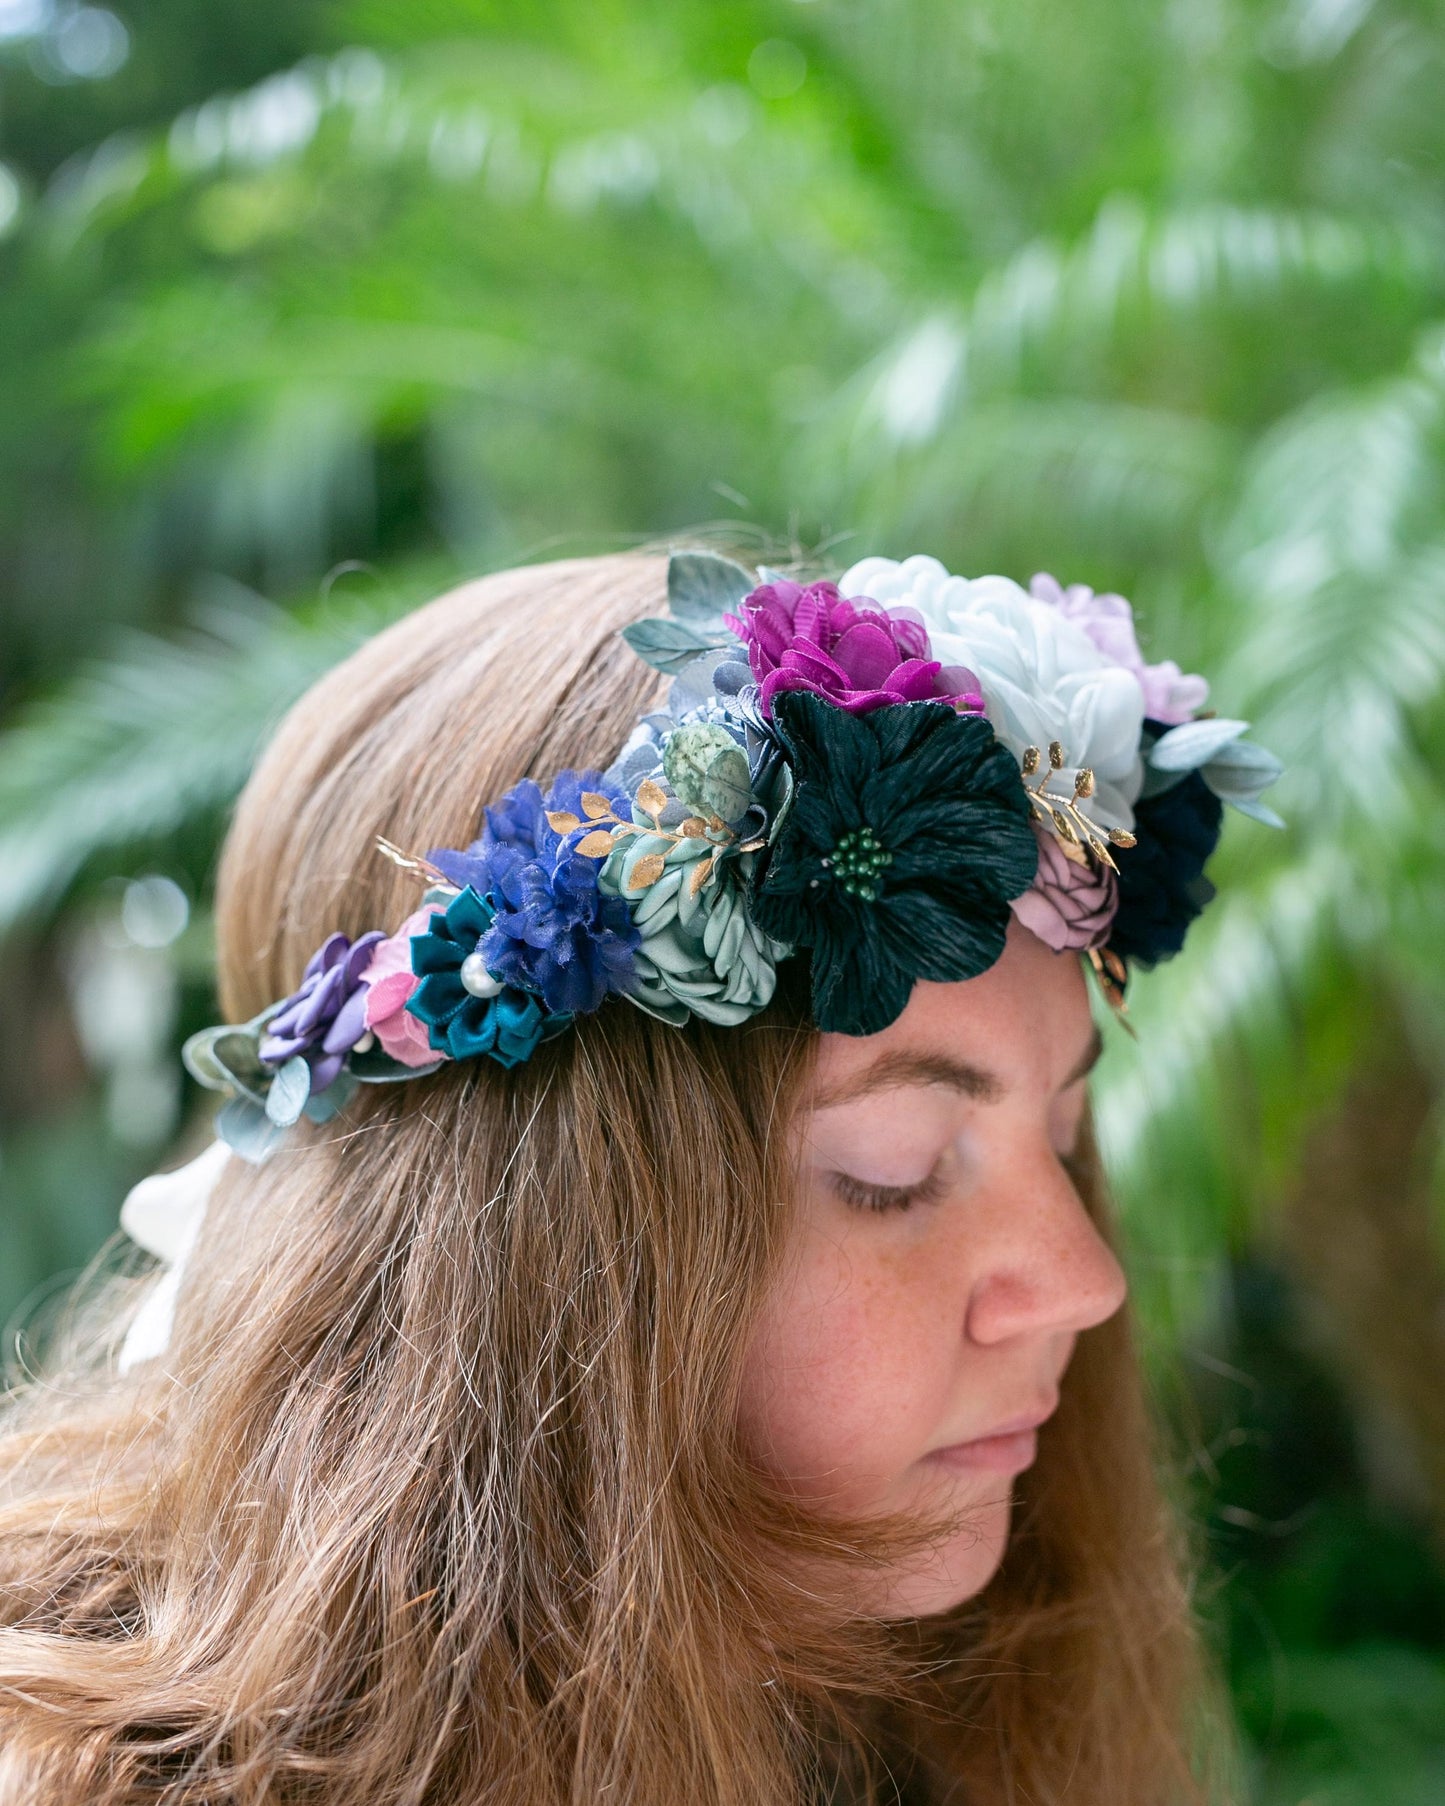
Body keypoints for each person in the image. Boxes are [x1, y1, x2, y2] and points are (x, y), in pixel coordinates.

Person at [0, 548, 1274, 1804]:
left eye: (1062, 1136)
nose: (1082, 1283)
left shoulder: (908, 1741)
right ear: (510, 1243)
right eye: (889, 1174)